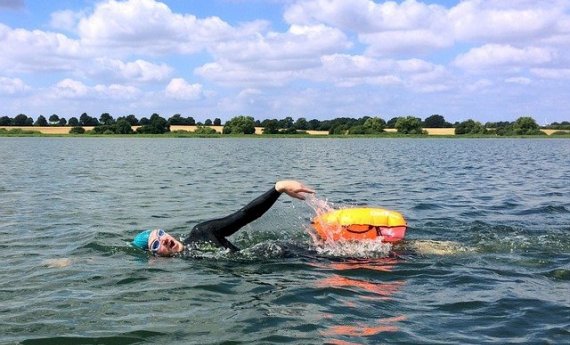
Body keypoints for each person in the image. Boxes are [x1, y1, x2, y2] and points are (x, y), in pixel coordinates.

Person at [132, 180, 314, 257]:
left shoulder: (201, 232)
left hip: (289, 252)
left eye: (161, 233)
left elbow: (244, 216)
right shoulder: (189, 265)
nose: (163, 239)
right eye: (156, 244)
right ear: (154, 257)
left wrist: (278, 188)